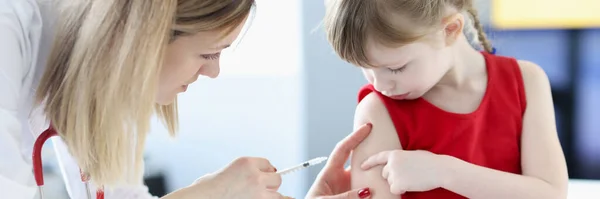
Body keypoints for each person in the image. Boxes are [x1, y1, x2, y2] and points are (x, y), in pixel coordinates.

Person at [0, 0, 373, 198]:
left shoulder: (110, 90)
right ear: (145, 35)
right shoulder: (9, 36)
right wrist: (212, 193)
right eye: (208, 53)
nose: (214, 73)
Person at [322, 0, 569, 198]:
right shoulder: (377, 110)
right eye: (365, 68)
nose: (379, 85)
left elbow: (552, 194)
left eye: (395, 68)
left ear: (450, 30)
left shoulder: (526, 81)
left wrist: (444, 172)